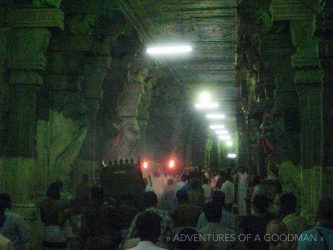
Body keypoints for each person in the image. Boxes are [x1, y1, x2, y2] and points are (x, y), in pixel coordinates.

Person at [40, 182, 71, 250]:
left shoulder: (43, 204)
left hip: (46, 232)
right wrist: (67, 215)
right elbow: (60, 221)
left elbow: (42, 219)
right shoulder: (60, 204)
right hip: (58, 233)